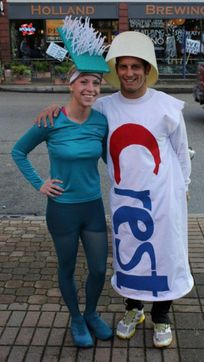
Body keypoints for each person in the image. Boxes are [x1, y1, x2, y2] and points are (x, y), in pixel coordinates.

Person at [35, 30, 194, 348]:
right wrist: (54, 108)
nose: (130, 72)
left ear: (147, 70)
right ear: (116, 70)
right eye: (124, 66)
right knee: (130, 254)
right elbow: (78, 113)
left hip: (163, 197)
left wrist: (183, 189)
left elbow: (180, 151)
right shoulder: (105, 108)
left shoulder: (166, 107)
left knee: (164, 252)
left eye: (137, 66)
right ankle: (133, 309)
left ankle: (161, 316)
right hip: (126, 199)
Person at [12, 18, 113, 348]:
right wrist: (40, 183)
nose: (90, 88)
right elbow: (18, 151)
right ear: (71, 85)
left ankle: (92, 312)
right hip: (62, 209)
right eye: (83, 81)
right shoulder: (51, 119)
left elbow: (114, 159)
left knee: (98, 268)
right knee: (67, 267)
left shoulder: (101, 121)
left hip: (92, 206)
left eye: (96, 83)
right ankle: (75, 317)